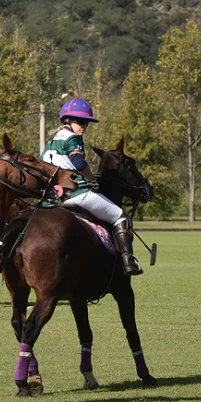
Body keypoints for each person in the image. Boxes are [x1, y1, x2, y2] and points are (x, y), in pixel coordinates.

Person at [42, 97, 142, 276]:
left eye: (86, 122)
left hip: (50, 199)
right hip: (75, 194)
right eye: (80, 121)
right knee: (120, 216)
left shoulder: (51, 141)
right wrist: (91, 179)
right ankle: (128, 262)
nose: (84, 126)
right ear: (68, 120)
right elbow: (79, 162)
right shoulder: (72, 138)